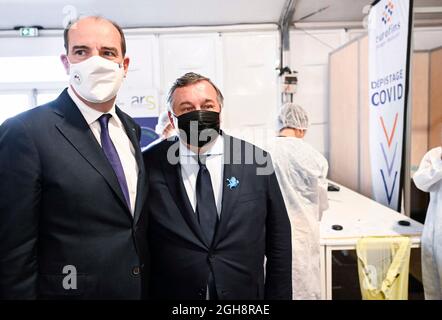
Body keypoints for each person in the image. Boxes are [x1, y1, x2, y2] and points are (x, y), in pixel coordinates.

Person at [0, 16, 148, 299]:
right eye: (82, 52)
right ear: (66, 62)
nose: (96, 62)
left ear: (124, 65)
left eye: (107, 53)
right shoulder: (24, 132)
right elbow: (12, 251)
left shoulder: (130, 128)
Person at [142, 72, 292, 300]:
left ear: (220, 111)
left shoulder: (255, 161)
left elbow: (279, 241)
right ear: (172, 120)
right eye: (186, 108)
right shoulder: (148, 165)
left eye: (207, 105)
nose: (199, 113)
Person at [266, 102, 329, 300]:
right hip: (304, 233)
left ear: (280, 124)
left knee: (274, 283)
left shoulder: (263, 152)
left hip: (271, 231)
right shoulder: (316, 157)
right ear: (302, 128)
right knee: (304, 284)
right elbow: (321, 204)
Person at [413, 144, 442, 300]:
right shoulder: (435, 155)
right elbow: (420, 182)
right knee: (433, 290)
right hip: (434, 236)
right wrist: (440, 165)